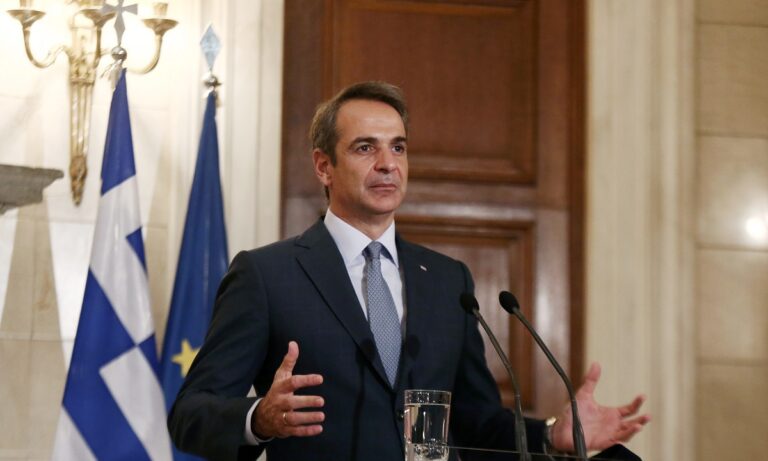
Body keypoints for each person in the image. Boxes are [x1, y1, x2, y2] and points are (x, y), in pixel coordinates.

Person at [167, 82, 650, 461]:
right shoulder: (267, 275)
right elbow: (189, 414)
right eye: (365, 148)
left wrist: (552, 434)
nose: (387, 165)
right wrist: (259, 419)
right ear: (323, 166)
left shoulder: (447, 281)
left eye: (398, 148)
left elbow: (477, 422)